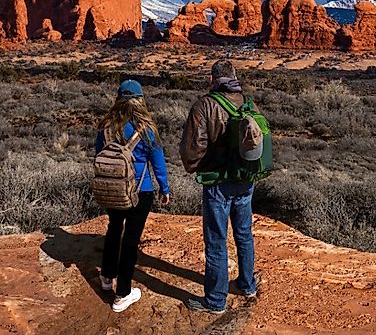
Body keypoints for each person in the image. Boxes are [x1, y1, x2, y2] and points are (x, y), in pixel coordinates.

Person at [181, 60, 258, 315]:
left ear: (212, 79)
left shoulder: (204, 105)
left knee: (216, 240)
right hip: (245, 180)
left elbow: (193, 147)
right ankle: (247, 285)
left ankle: (215, 300)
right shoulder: (246, 102)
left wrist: (194, 167)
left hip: (217, 184)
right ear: (234, 78)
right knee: (244, 234)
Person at [96, 79, 171, 313]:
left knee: (113, 229)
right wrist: (165, 189)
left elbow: (99, 155)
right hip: (141, 190)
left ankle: (107, 277)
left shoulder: (106, 126)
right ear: (140, 99)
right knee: (130, 241)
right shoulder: (146, 128)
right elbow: (157, 162)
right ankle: (122, 294)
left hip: (113, 189)